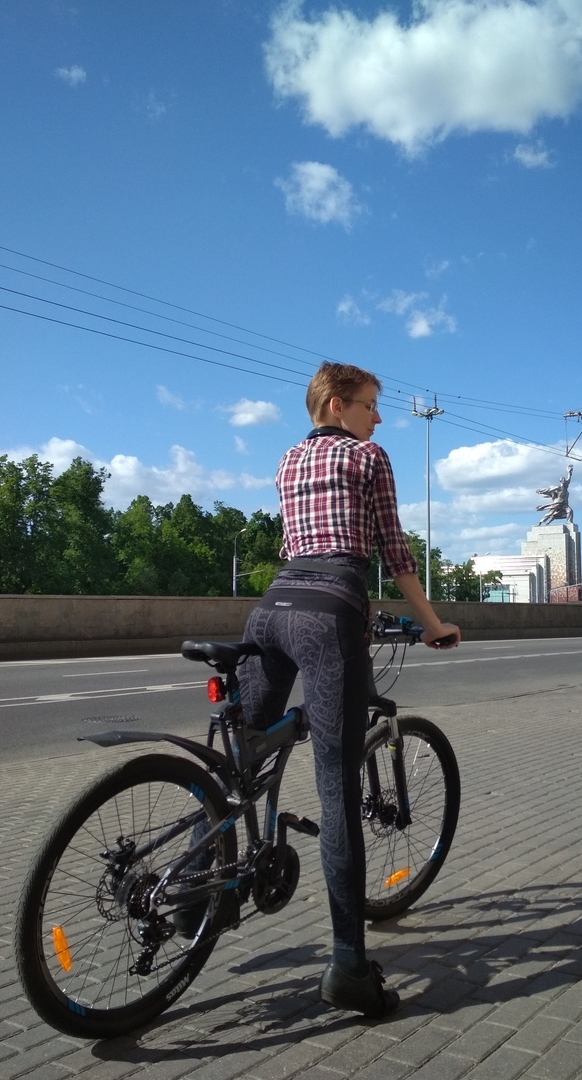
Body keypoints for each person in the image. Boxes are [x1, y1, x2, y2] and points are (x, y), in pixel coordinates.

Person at [238, 361, 460, 1019]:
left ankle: (206, 893)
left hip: (271, 610)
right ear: (337, 405)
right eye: (369, 405)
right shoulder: (370, 459)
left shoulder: (285, 461)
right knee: (336, 789)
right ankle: (346, 967)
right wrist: (434, 625)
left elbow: (293, 547)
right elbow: (394, 554)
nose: (379, 418)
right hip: (329, 613)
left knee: (242, 762)